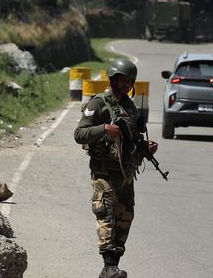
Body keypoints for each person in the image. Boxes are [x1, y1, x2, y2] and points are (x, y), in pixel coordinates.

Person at [74, 59, 158, 278]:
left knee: (124, 218)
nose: (127, 84)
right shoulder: (98, 103)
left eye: (130, 81)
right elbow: (79, 134)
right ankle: (109, 266)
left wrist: (146, 148)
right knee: (106, 213)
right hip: (104, 171)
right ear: (113, 79)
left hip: (126, 172)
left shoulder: (130, 106)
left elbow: (132, 140)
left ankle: (111, 267)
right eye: (123, 80)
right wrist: (104, 128)